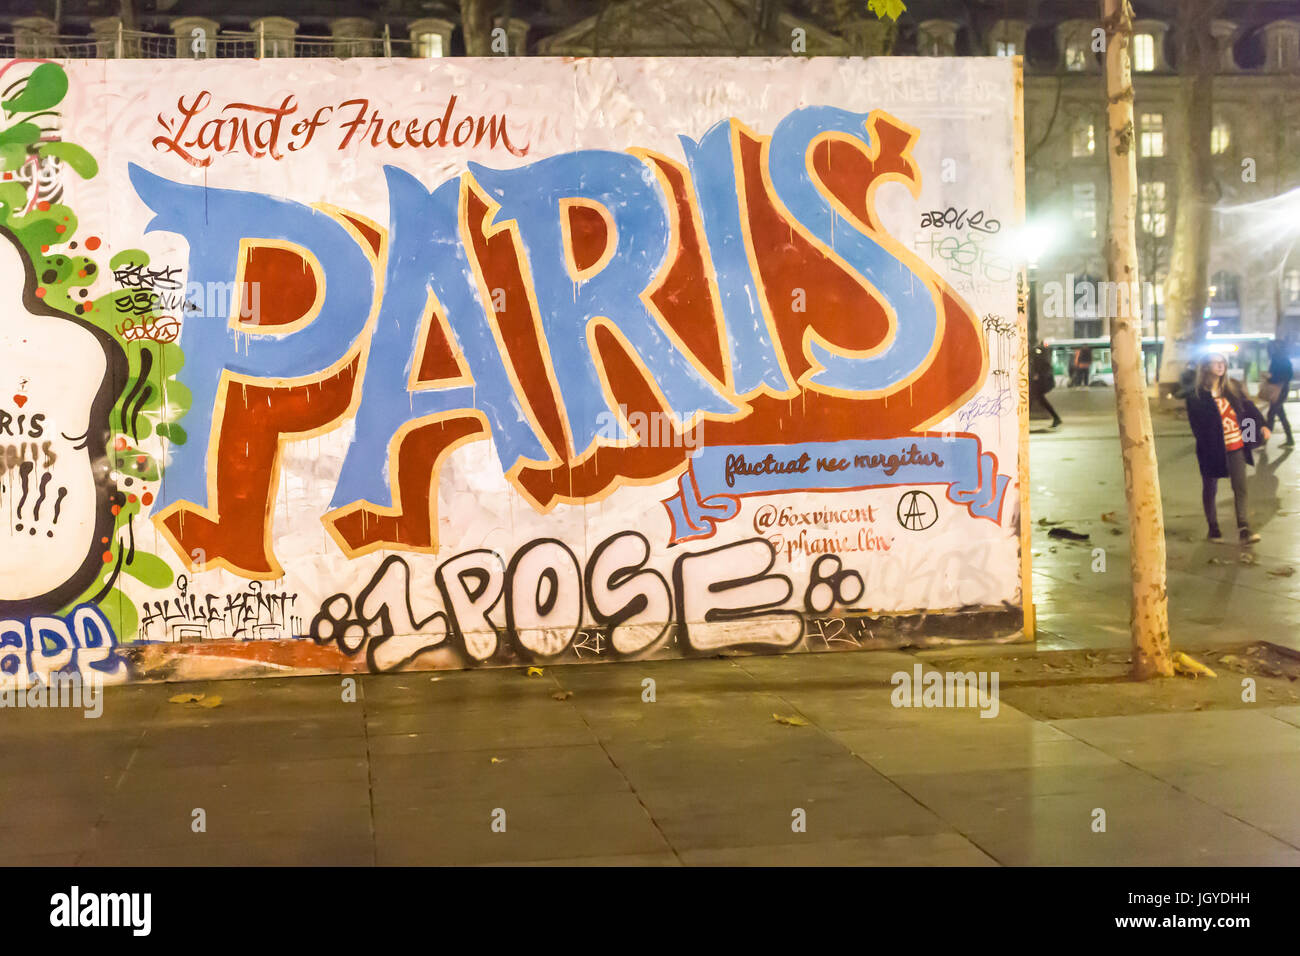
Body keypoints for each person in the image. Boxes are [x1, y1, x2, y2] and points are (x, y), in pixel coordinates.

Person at [1186, 352, 1270, 543]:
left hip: (1236, 446)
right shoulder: (1196, 396)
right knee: (1210, 487)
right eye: (1215, 362)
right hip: (1211, 449)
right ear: (1205, 367)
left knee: (1240, 487)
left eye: (1222, 362)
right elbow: (1197, 426)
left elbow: (1249, 409)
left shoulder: (1232, 389)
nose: (1220, 365)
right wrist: (1210, 442)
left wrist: (1262, 425)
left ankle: (1244, 529)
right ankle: (1213, 528)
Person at [1265, 339, 1295, 447]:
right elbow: (1289, 375)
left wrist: (1269, 379)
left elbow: (1279, 376)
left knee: (1271, 414)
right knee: (1280, 414)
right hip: (1282, 389)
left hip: (1279, 390)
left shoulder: (1277, 359)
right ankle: (1290, 439)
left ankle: (1264, 440)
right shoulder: (1284, 358)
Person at [1030, 341, 1062, 428]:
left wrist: (1037, 375)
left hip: (1041, 383)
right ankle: (1056, 418)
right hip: (1041, 383)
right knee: (1038, 400)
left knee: (1034, 399)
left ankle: (1056, 418)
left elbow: (1043, 370)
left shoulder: (1038, 358)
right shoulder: (1039, 357)